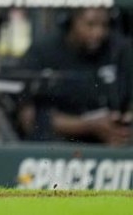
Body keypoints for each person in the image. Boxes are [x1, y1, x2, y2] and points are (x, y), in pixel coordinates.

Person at [18, 8, 132, 145]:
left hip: (111, 145)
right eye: (90, 24)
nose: (98, 33)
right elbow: (28, 120)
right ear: (72, 21)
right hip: (58, 148)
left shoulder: (120, 50)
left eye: (104, 25)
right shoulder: (43, 52)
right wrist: (89, 126)